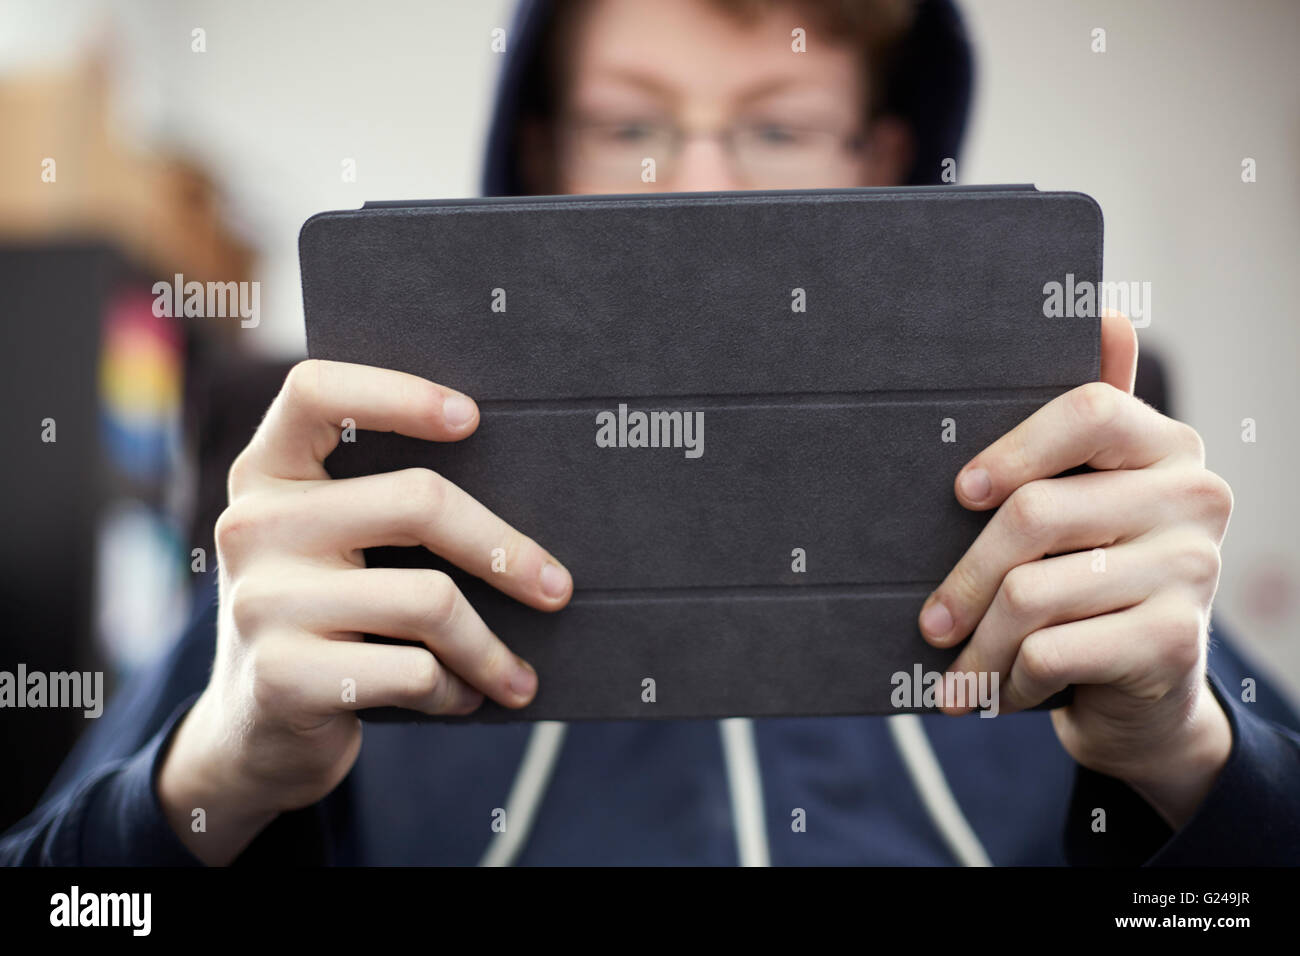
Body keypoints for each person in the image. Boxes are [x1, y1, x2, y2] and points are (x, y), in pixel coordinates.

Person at [5, 0, 1298, 866]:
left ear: (885, 158)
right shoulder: (357, 507)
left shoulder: (1058, 508)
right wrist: (215, 772)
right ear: (540, 151)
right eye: (631, 124)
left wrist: (1189, 752)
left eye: (779, 127)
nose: (698, 185)